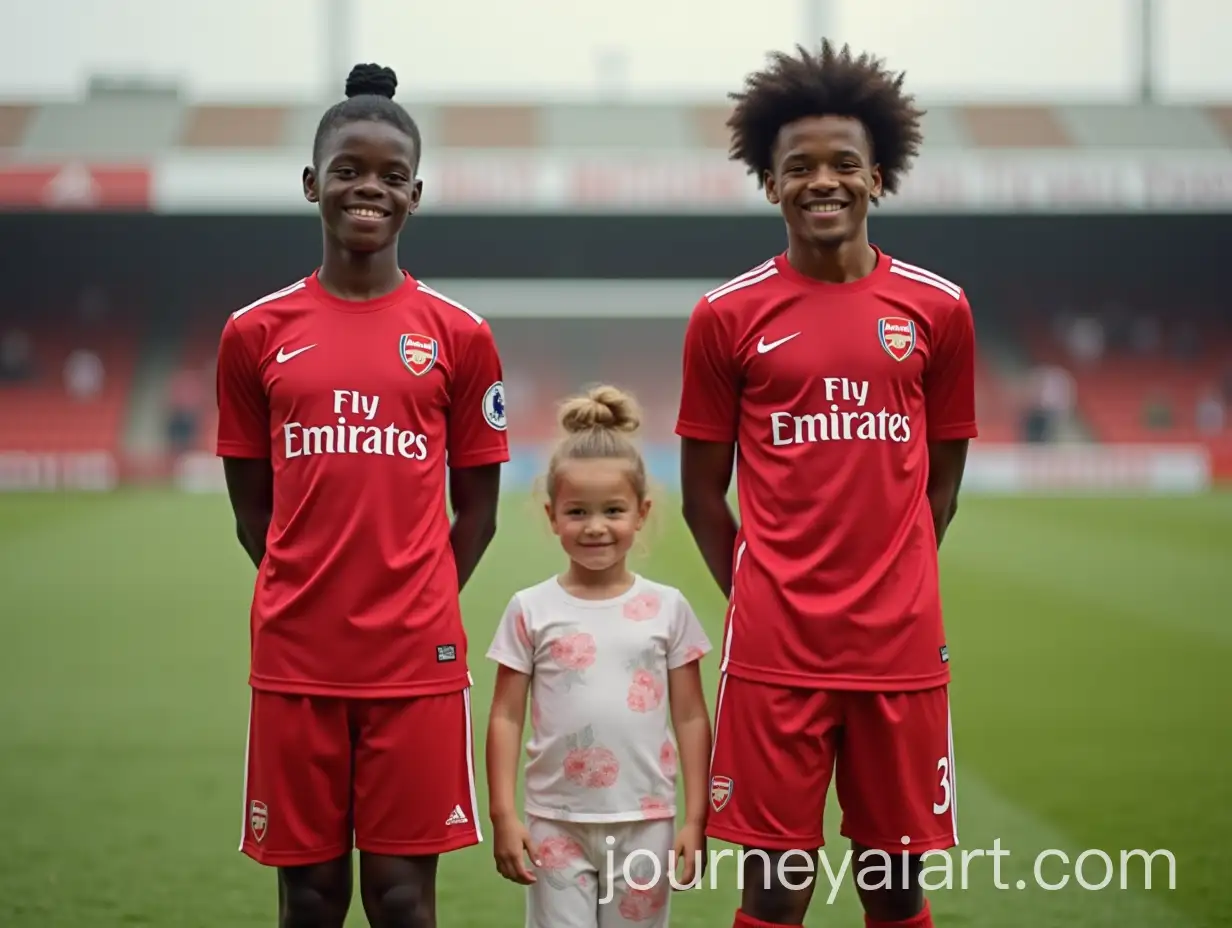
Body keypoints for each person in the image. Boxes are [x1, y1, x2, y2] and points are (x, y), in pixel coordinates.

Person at [675, 41, 978, 928]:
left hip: (899, 647)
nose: (823, 182)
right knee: (775, 883)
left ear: (878, 176)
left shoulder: (938, 310)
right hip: (777, 652)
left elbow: (944, 481)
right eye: (798, 167)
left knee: (894, 882)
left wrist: (896, 577)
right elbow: (702, 494)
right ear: (769, 184)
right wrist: (760, 592)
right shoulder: (725, 317)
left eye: (844, 164)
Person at [214, 62, 509, 928]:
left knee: (402, 897)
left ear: (416, 193)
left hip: (415, 664)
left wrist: (414, 600)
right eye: (347, 170)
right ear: (312, 183)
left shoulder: (460, 336)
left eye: (389, 176)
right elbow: (249, 510)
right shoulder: (254, 334)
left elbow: (479, 510)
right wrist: (309, 593)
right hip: (297, 656)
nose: (367, 189)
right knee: (307, 897)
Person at [485, 385, 714, 928]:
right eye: (577, 511)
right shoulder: (530, 609)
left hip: (646, 821)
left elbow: (689, 715)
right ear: (552, 514)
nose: (594, 526)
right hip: (554, 822)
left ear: (641, 513)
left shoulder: (668, 609)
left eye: (613, 510)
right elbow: (505, 715)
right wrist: (503, 813)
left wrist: (696, 818)